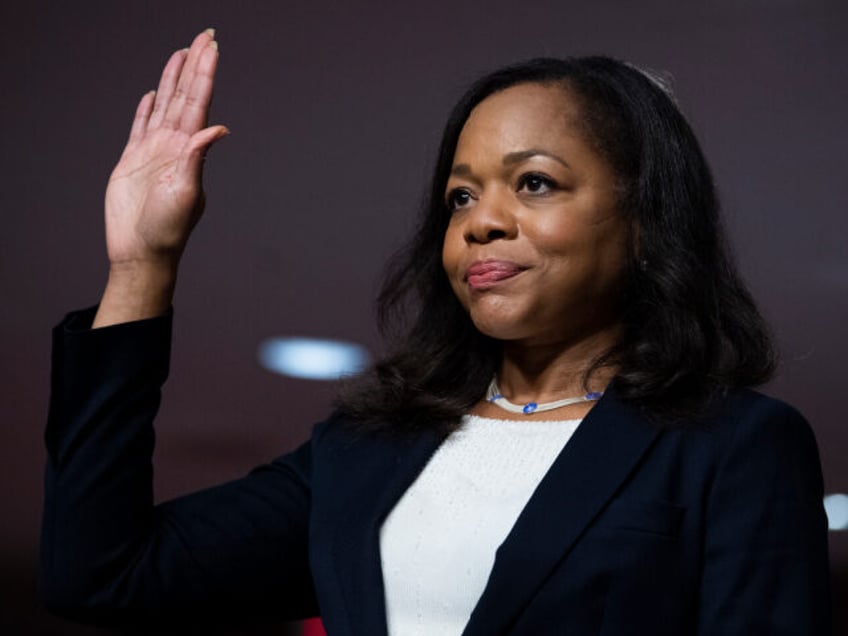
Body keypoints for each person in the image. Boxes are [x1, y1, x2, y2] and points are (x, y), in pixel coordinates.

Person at [40, 28, 831, 635]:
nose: (482, 221)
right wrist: (143, 266)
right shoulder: (366, 450)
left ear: (645, 223)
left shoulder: (735, 447)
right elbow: (102, 574)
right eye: (460, 197)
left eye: (534, 183)